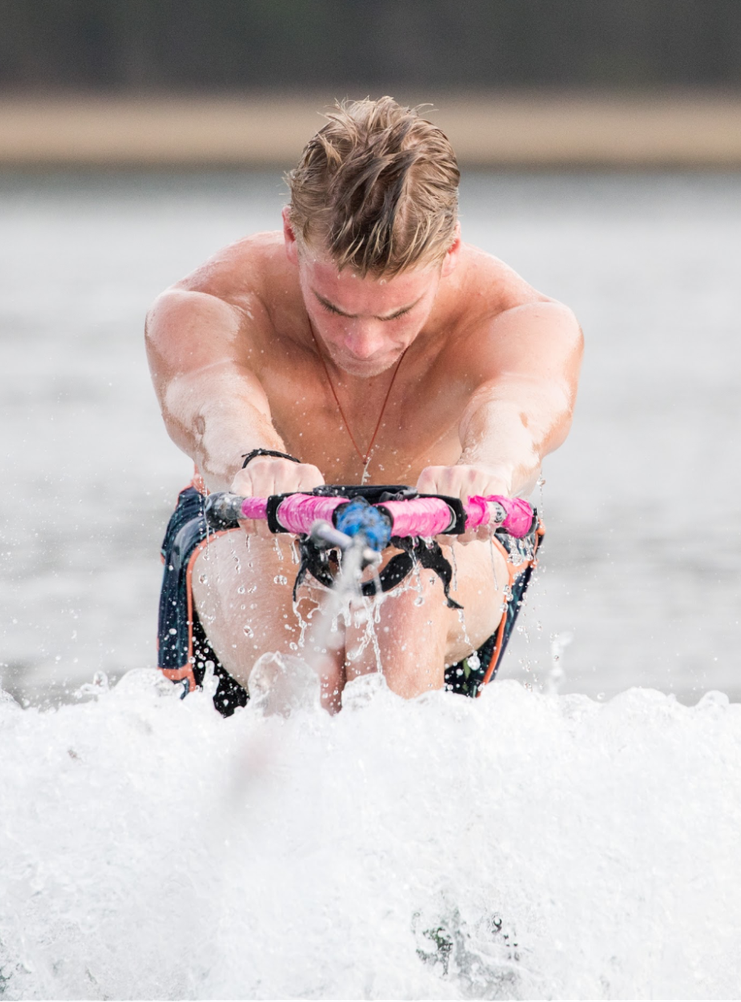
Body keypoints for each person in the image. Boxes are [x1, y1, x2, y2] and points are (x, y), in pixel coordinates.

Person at [146, 97, 582, 713]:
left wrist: (488, 470)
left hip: (441, 538)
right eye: (334, 308)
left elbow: (521, 414)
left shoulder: (519, 320)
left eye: (398, 313)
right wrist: (256, 455)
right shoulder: (207, 306)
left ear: (450, 250)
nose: (363, 344)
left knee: (407, 601)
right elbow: (213, 403)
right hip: (256, 528)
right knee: (312, 670)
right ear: (293, 236)